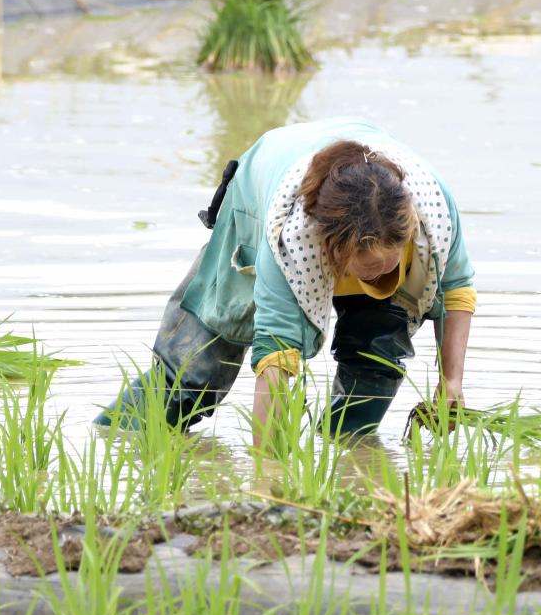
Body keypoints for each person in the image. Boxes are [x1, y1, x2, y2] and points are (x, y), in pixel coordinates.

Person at [99, 116, 476, 443]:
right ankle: (116, 434)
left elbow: (456, 287)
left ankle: (349, 449)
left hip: (362, 179)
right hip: (261, 186)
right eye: (368, 270)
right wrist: (268, 470)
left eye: (387, 266)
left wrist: (451, 382)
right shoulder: (293, 238)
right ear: (332, 251)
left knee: (376, 353)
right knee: (195, 373)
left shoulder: (432, 214)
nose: (380, 277)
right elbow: (276, 354)